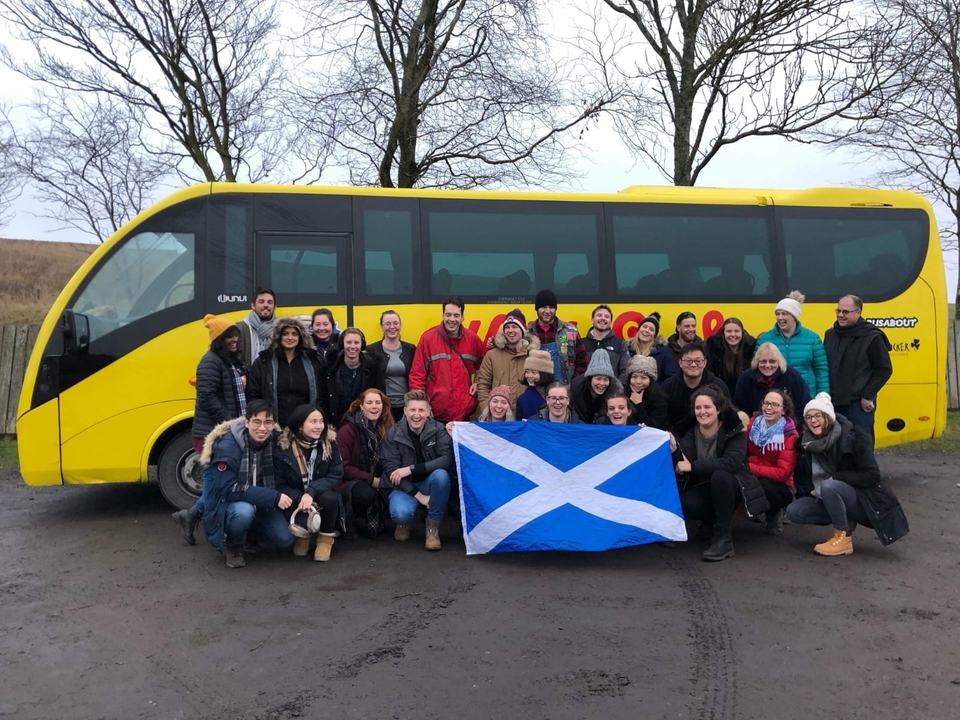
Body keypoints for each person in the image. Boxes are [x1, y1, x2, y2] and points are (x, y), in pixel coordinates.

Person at [786, 393, 909, 556]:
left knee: (830, 486)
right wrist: (809, 490)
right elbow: (801, 477)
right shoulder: (805, 444)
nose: (813, 421)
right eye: (808, 417)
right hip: (824, 495)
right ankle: (844, 517)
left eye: (818, 416)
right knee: (794, 512)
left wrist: (837, 478)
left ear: (828, 417)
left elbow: (872, 476)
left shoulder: (854, 438)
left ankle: (843, 537)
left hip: (862, 498)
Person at [669, 386, 768, 562]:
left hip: (735, 486)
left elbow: (731, 462)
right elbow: (683, 461)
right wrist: (675, 448)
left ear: (718, 409)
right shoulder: (690, 431)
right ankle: (709, 524)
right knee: (686, 503)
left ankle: (724, 537)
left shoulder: (734, 430)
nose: (702, 412)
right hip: (704, 485)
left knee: (720, 476)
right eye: (698, 408)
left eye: (707, 407)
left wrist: (694, 467)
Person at [173, 314, 248, 545]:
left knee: (219, 482)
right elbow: (206, 397)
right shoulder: (210, 361)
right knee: (215, 482)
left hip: (227, 430)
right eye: (229, 336)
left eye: (235, 335)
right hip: (212, 434)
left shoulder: (229, 360)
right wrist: (229, 423)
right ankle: (205, 524)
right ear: (219, 339)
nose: (235, 339)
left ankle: (192, 515)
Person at [199, 400, 295, 569]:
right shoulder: (227, 445)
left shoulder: (275, 441)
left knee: (285, 539)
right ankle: (234, 545)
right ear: (247, 422)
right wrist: (274, 497)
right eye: (257, 422)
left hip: (261, 503)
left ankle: (247, 534)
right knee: (244, 512)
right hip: (227, 503)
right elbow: (227, 489)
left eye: (268, 423)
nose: (262, 428)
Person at [380, 390, 455, 551]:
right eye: (412, 410)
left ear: (428, 412)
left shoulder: (438, 429)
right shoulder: (393, 433)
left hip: (428, 481)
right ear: (405, 411)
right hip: (401, 486)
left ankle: (433, 527)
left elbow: (446, 460)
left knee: (442, 476)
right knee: (400, 513)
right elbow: (391, 472)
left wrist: (411, 469)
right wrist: (419, 496)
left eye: (421, 410)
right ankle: (403, 523)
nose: (417, 415)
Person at [273, 404, 344, 562]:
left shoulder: (329, 444)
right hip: (296, 500)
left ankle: (325, 538)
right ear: (300, 425)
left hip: (321, 494)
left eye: (321, 421)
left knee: (330, 498)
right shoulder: (283, 448)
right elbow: (280, 484)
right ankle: (304, 534)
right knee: (298, 547)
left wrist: (310, 492)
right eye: (313, 421)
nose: (319, 426)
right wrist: (301, 498)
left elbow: (336, 474)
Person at [822, 295, 893, 444]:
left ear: (858, 312)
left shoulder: (872, 337)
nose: (840, 315)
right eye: (838, 310)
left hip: (858, 402)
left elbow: (884, 369)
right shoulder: (830, 334)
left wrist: (867, 395)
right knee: (837, 441)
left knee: (861, 441)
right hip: (834, 400)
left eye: (846, 312)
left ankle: (865, 468)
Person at [408, 297, 486, 422]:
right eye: (448, 314)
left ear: (462, 317)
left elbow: (485, 366)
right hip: (435, 415)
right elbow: (417, 376)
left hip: (464, 415)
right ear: (443, 315)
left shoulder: (473, 340)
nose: (452, 319)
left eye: (456, 315)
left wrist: (478, 381)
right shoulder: (428, 339)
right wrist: (422, 406)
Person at [246, 317, 323, 428]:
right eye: (285, 333)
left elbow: (321, 396)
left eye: (294, 334)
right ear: (278, 336)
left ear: (301, 337)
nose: (290, 337)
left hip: (304, 426)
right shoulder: (264, 362)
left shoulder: (313, 361)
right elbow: (253, 394)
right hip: (272, 426)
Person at [746, 389, 799, 536]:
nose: (769, 408)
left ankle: (774, 514)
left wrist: (750, 467)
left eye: (775, 405)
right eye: (766, 403)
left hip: (780, 486)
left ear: (783, 410)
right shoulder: (752, 424)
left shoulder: (790, 435)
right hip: (754, 473)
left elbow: (782, 473)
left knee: (766, 485)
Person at [756, 290, 830, 396]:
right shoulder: (764, 340)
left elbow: (821, 370)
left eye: (784, 314)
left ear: (794, 316)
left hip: (806, 396)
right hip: (775, 398)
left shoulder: (812, 338)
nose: (780, 317)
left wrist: (823, 396)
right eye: (777, 314)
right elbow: (757, 368)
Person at [476, 308, 540, 412]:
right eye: (507, 327)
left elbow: (541, 388)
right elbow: (483, 386)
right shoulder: (491, 356)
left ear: (523, 330)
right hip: (499, 418)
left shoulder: (534, 356)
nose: (510, 330)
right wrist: (488, 412)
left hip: (526, 417)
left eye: (515, 326)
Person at [319, 327, 382, 428]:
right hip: (336, 423)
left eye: (356, 343)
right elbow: (323, 397)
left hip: (364, 423)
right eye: (348, 342)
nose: (352, 346)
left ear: (362, 345)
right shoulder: (330, 368)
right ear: (342, 344)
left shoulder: (372, 368)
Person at [661, 342, 731, 429]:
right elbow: (663, 419)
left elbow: (727, 416)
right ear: (680, 363)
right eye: (688, 361)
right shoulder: (668, 386)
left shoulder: (718, 386)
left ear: (705, 363)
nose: (693, 365)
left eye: (698, 361)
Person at [526, 289, 588, 383]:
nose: (547, 311)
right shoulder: (527, 334)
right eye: (543, 307)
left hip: (563, 391)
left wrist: (573, 384)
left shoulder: (570, 331)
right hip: (537, 390)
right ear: (537, 309)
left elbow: (583, 362)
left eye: (551, 307)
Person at [733, 342, 811, 417]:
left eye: (772, 361)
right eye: (763, 361)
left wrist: (793, 428)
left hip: (788, 427)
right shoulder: (746, 378)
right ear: (757, 362)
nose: (767, 365)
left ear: (779, 361)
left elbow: (802, 406)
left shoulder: (792, 376)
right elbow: (740, 408)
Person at [367, 310, 416, 422]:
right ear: (382, 326)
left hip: (406, 407)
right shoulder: (372, 350)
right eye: (387, 324)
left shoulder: (411, 349)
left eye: (395, 323)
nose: (392, 327)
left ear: (400, 325)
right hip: (383, 408)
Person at [705, 317, 757, 393]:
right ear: (723, 333)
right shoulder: (713, 348)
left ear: (742, 333)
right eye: (729, 331)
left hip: (745, 392)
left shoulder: (751, 348)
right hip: (719, 393)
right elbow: (709, 371)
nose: (733, 334)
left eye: (736, 331)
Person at [571, 350, 621, 424]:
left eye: (606, 379)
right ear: (590, 379)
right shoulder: (574, 391)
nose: (602, 383)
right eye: (598, 378)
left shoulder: (615, 394)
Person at [583, 304, 631, 379]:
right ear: (592, 320)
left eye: (607, 316)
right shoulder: (581, 343)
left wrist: (616, 389)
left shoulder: (620, 344)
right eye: (599, 315)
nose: (603, 318)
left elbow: (626, 371)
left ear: (610, 321)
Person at [629, 312, 677, 383]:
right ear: (639, 329)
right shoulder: (627, 349)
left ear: (655, 335)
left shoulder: (664, 352)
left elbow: (671, 378)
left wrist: (658, 392)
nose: (647, 331)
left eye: (651, 329)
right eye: (644, 327)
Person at [624, 355, 669, 430]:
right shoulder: (623, 394)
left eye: (643, 378)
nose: (638, 382)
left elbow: (652, 426)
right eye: (634, 377)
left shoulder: (660, 399)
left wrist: (639, 405)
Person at [235, 287, 276, 364]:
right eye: (261, 302)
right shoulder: (239, 329)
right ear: (253, 306)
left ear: (274, 307)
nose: (266, 305)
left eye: (270, 302)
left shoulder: (280, 330)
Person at [516, 349, 556, 420]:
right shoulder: (523, 400)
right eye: (527, 372)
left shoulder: (559, 393)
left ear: (544, 374)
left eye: (533, 372)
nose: (529, 376)